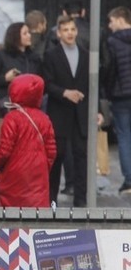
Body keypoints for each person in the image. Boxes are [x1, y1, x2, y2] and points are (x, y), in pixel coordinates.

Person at [0, 74, 56, 208]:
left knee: (10, 218)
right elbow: (51, 152)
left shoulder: (12, 118)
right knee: (36, 216)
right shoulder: (45, 119)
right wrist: (41, 167)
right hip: (38, 178)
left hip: (13, 177)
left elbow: (3, 151)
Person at [42, 16, 89, 206]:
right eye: (66, 30)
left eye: (72, 29)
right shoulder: (51, 55)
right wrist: (64, 93)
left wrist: (97, 110)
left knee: (81, 156)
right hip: (59, 112)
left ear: (76, 31)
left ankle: (81, 200)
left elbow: (92, 84)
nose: (70, 33)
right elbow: (46, 83)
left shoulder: (85, 54)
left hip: (81, 113)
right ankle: (51, 198)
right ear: (59, 33)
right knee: (57, 156)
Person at [103, 7, 131, 195]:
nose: (110, 26)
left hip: (121, 95)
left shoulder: (112, 42)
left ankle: (129, 179)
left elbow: (109, 69)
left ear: (120, 19)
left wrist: (108, 91)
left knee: (123, 136)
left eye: (112, 21)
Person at [0, 22, 40, 114]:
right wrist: (5, 78)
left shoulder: (34, 57)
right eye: (25, 33)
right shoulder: (1, 55)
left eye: (29, 33)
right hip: (7, 106)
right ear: (15, 36)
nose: (29, 36)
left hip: (30, 106)